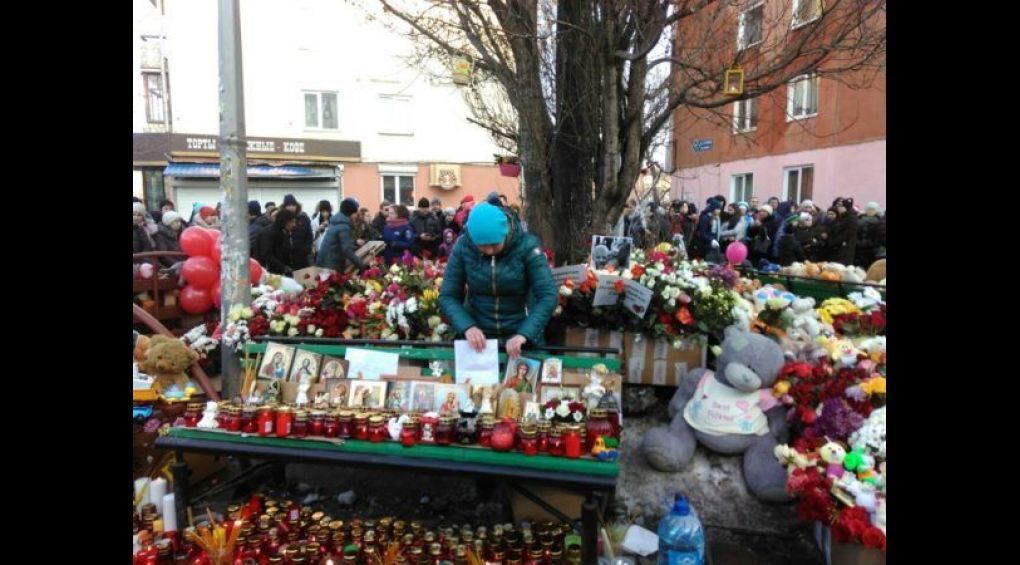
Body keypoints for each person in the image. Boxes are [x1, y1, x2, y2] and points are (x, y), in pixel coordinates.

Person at [439, 202, 557, 359]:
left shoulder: (527, 246)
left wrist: (525, 333)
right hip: (478, 338)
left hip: (523, 335)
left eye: (495, 245)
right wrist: (467, 327)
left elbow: (548, 295)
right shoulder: (463, 247)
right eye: (482, 246)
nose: (489, 251)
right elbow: (448, 296)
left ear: (506, 232)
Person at [316, 197, 364, 273]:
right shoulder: (343, 226)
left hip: (323, 263)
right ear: (350, 213)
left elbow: (341, 243)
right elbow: (346, 249)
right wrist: (361, 265)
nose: (356, 216)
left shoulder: (336, 222)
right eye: (355, 213)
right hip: (330, 266)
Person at [256, 208, 298, 275]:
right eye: (292, 222)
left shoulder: (283, 232)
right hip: (269, 273)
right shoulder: (268, 233)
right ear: (285, 221)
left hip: (280, 271)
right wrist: (282, 267)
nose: (294, 225)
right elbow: (267, 255)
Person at [282, 194, 313, 270]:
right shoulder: (281, 219)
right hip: (286, 258)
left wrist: (306, 249)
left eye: (293, 205)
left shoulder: (303, 218)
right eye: (288, 205)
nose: (291, 207)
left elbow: (309, 235)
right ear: (284, 207)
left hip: (302, 256)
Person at [828, 197, 859, 265]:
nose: (838, 208)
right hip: (837, 248)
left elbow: (847, 234)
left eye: (840, 206)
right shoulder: (841, 217)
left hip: (845, 249)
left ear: (845, 207)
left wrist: (834, 241)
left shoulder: (851, 218)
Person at [855, 201, 882, 268]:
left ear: (876, 211)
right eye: (869, 209)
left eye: (873, 209)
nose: (870, 211)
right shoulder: (858, 220)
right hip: (858, 248)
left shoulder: (879, 222)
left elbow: (878, 236)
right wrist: (857, 242)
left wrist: (870, 243)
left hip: (872, 250)